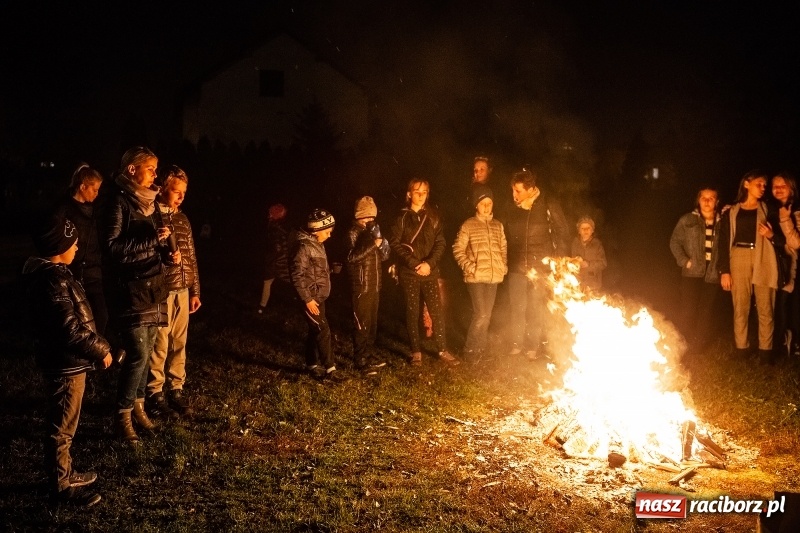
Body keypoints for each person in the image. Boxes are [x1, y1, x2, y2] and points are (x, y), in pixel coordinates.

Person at [23, 214, 112, 507]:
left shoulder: (55, 275)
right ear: (58, 246)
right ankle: (62, 486)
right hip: (64, 365)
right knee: (61, 427)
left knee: (66, 424)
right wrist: (101, 349)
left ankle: (67, 472)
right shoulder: (53, 280)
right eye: (73, 243)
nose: (77, 248)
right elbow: (69, 330)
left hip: (69, 362)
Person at [101, 146, 176, 443]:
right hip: (129, 290)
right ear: (132, 169)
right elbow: (112, 248)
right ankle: (122, 416)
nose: (156, 175)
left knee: (150, 351)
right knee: (138, 353)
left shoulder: (152, 203)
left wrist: (168, 255)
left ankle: (139, 407)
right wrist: (150, 242)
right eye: (151, 169)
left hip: (153, 286)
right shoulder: (117, 202)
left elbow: (157, 240)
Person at [146, 166, 201, 419]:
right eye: (176, 192)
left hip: (183, 289)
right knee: (160, 342)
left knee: (180, 342)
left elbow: (191, 257)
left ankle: (176, 387)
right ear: (163, 189)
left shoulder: (183, 219)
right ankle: (155, 391)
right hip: (163, 290)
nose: (181, 197)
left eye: (184, 192)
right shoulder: (152, 217)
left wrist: (194, 290)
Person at [390, 179, 459, 366]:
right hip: (410, 272)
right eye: (417, 191)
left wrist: (429, 263)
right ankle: (416, 352)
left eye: (424, 192)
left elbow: (441, 242)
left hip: (430, 271)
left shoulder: (433, 216)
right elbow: (395, 243)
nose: (421, 195)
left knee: (436, 311)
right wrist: (413, 263)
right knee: (412, 311)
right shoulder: (402, 218)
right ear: (409, 194)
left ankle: (443, 349)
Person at [505, 168, 569, 360]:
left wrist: (558, 264)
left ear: (531, 189)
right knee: (517, 307)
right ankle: (517, 344)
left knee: (535, 307)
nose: (514, 195)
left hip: (539, 268)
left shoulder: (548, 205)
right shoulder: (512, 208)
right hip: (517, 267)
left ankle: (532, 346)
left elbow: (562, 233)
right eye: (513, 190)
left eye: (518, 191)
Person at [717, 170, 781, 358]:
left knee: (766, 305)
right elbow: (723, 241)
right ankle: (741, 348)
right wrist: (725, 270)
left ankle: (765, 351)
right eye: (759, 184)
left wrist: (771, 235)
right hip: (738, 255)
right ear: (746, 184)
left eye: (764, 185)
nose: (763, 188)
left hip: (763, 257)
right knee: (741, 305)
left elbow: (779, 238)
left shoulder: (769, 209)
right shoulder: (732, 211)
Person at [452, 184, 507, 359]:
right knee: (481, 313)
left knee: (487, 314)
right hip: (476, 277)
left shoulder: (498, 226)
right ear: (476, 205)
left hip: (493, 276)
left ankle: (480, 348)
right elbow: (457, 249)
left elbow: (503, 248)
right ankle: (469, 348)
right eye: (483, 203)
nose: (486, 207)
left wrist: (503, 266)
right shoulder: (468, 224)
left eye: (489, 203)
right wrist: (470, 267)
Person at [52, 163, 108, 334]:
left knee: (101, 316)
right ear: (83, 186)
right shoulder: (63, 209)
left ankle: (98, 350)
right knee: (75, 318)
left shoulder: (95, 212)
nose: (97, 194)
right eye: (94, 189)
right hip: (72, 271)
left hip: (93, 272)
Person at [292, 208, 346, 381]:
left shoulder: (317, 245)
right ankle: (330, 369)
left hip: (317, 297)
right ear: (316, 231)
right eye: (328, 232)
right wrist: (307, 299)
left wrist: (331, 270)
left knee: (314, 330)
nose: (329, 235)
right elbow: (297, 275)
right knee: (323, 331)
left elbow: (315, 271)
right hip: (310, 299)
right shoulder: (303, 247)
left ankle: (311, 364)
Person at [669, 188, 722, 356]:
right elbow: (674, 242)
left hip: (712, 273)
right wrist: (684, 261)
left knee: (706, 311)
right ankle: (681, 345)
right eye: (703, 198)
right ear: (698, 200)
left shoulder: (723, 221)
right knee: (688, 310)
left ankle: (697, 346)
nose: (707, 202)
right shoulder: (687, 220)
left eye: (711, 198)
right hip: (692, 273)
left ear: (717, 202)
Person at [346, 196, 391, 371]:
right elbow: (352, 257)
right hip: (361, 287)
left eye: (373, 218)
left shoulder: (374, 232)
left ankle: (368, 354)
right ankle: (360, 360)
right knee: (361, 324)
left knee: (372, 324)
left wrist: (381, 244)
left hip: (375, 285)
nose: (370, 221)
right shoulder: (353, 233)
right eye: (366, 218)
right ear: (358, 217)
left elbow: (385, 256)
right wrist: (372, 244)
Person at [774, 172, 800, 359]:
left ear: (792, 187)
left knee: (787, 303)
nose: (778, 189)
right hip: (771, 263)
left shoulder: (797, 210)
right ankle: (781, 339)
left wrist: (785, 219)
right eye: (775, 186)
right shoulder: (769, 208)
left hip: (790, 264)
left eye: (783, 185)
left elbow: (796, 243)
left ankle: (790, 341)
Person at [258, 203, 291, 314]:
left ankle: (304, 300)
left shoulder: (276, 229)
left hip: (278, 260)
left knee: (292, 281)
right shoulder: (274, 227)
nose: (268, 216)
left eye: (271, 214)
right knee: (267, 282)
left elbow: (279, 246)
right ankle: (262, 307)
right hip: (275, 260)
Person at [571, 216, 607, 293]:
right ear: (579, 231)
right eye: (583, 228)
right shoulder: (575, 243)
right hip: (578, 285)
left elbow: (603, 263)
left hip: (593, 285)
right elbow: (572, 261)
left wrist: (588, 264)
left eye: (588, 228)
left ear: (592, 230)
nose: (585, 231)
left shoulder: (597, 245)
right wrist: (575, 263)